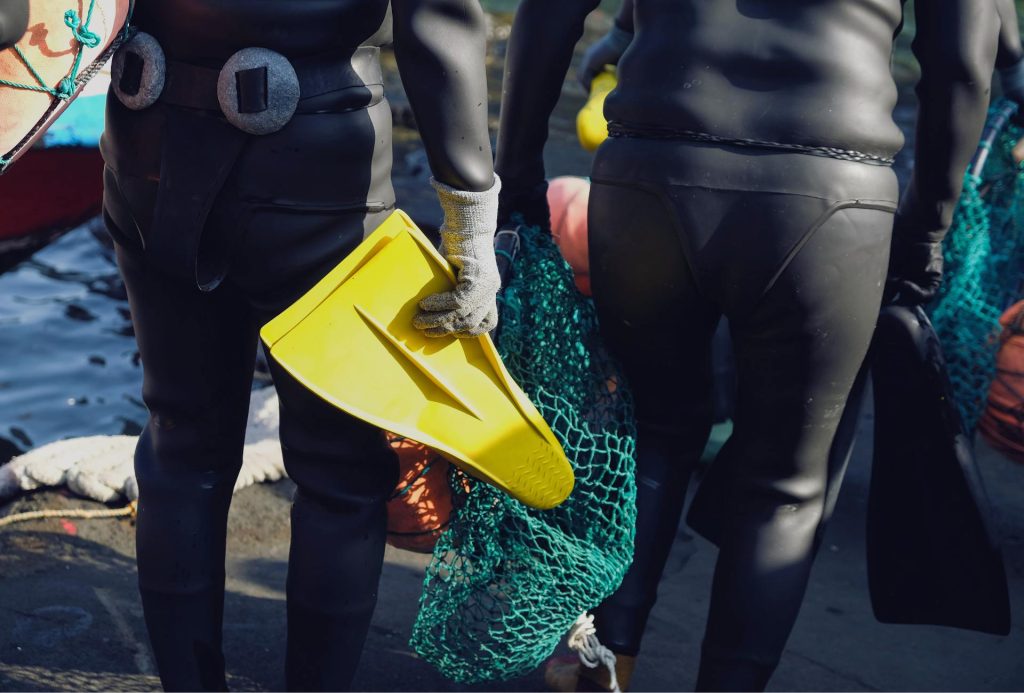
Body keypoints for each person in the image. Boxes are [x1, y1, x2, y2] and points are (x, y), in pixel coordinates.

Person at [495, 0, 1002, 690]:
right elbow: (965, 60)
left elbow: (549, 10)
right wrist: (926, 229)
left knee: (648, 433)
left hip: (649, 163)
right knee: (784, 488)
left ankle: (598, 663)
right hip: (831, 192)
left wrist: (514, 174)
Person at [99, 1, 500, 689]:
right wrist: (470, 218)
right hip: (319, 169)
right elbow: (438, 21)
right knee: (341, 471)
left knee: (182, 441)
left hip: (149, 144)